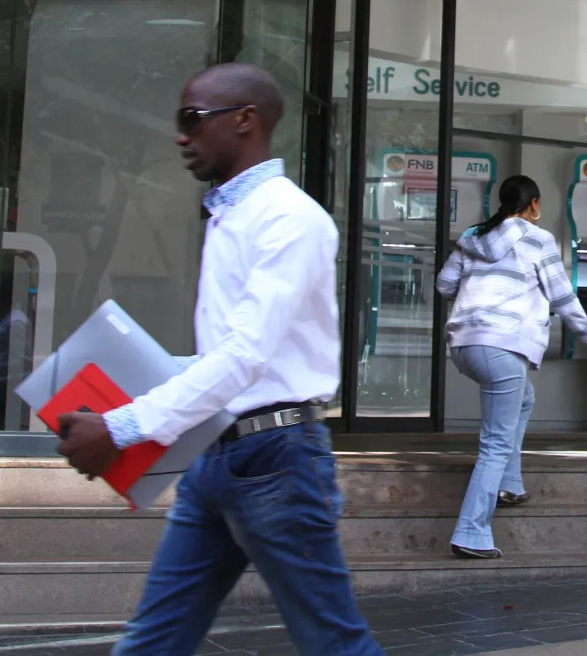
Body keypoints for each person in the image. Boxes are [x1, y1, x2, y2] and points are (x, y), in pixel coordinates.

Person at [55, 63, 382, 656]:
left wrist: (121, 426)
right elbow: (227, 357)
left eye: (192, 119)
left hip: (277, 460)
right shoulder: (232, 214)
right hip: (216, 454)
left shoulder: (290, 219)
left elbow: (244, 357)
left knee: (334, 644)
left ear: (244, 120)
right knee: (154, 641)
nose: (181, 135)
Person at [437, 174, 587, 559]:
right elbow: (564, 299)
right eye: (539, 203)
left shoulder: (472, 236)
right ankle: (471, 532)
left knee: (524, 398)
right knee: (495, 443)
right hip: (502, 345)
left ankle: (510, 484)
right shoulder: (539, 239)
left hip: (465, 345)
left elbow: (444, 286)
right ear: (533, 204)